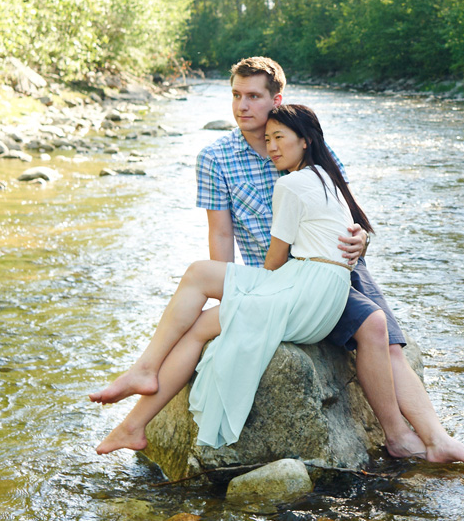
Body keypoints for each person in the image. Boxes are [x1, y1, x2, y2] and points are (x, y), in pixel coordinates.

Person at [198, 56, 464, 464]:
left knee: (390, 342)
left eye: (253, 96)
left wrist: (361, 239)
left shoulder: (306, 140)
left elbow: (347, 211)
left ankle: (436, 438)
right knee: (372, 327)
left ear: (275, 99)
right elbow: (221, 233)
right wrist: (226, 295)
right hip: (289, 274)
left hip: (343, 262)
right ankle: (401, 437)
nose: (242, 106)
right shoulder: (216, 158)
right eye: (236, 95)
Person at [91, 104, 361, 453]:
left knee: (204, 322)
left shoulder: (292, 184)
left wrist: (244, 295)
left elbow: (275, 261)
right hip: (321, 290)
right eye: (268, 139)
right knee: (200, 272)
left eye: (280, 137)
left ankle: (134, 418)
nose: (273, 147)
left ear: (305, 140)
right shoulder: (327, 177)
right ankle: (140, 384)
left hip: (306, 290)